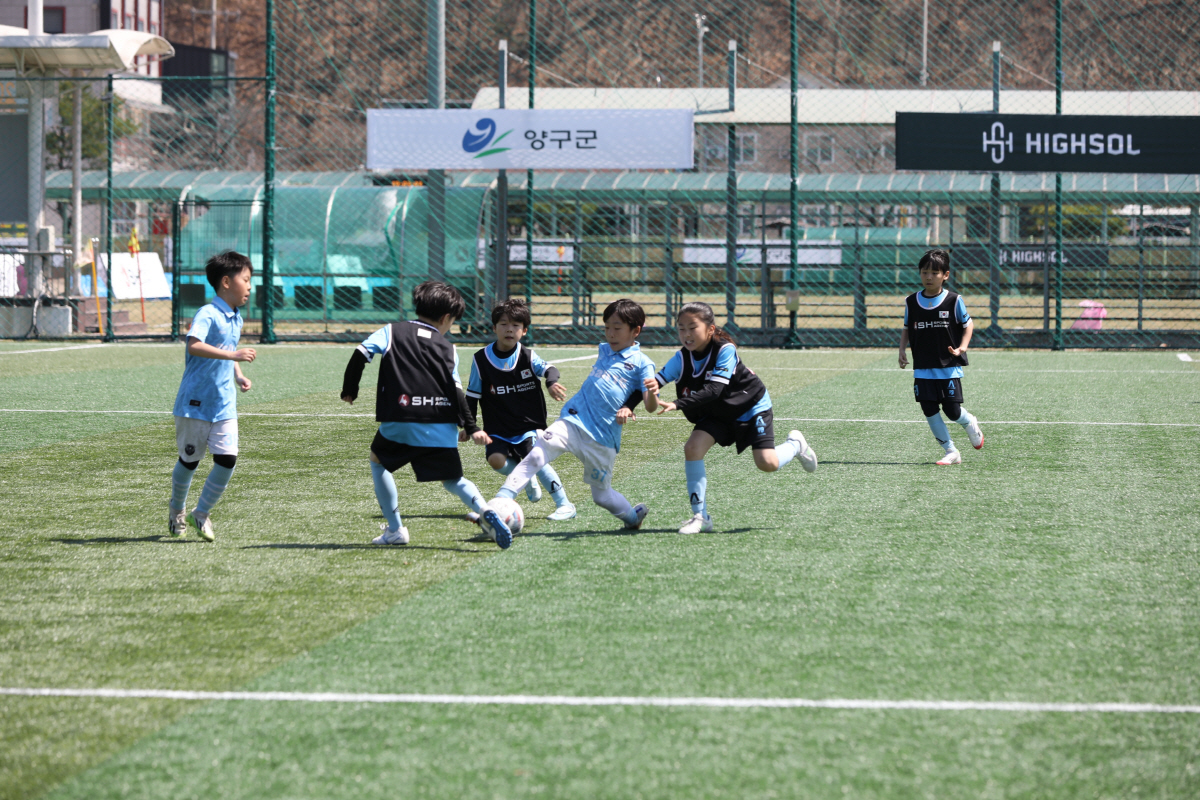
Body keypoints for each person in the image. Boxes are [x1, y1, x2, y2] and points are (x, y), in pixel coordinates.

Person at [480, 298, 659, 549]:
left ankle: (632, 517)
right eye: (607, 327)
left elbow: (651, 405)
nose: (610, 334)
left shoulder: (643, 363)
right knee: (536, 455)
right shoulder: (605, 349)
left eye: (617, 328)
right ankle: (498, 503)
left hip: (602, 437)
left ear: (635, 331)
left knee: (601, 496)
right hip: (573, 420)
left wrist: (648, 394)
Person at [648, 301, 817, 534]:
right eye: (681, 328)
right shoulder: (681, 358)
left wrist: (678, 404)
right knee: (692, 448)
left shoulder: (725, 349)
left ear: (710, 329)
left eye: (692, 327)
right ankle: (701, 517)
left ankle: (796, 445)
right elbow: (655, 383)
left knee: (767, 463)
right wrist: (638, 394)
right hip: (717, 411)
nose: (686, 334)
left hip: (750, 406)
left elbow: (715, 390)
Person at [340, 280, 488, 545]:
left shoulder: (392, 331)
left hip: (402, 417)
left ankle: (395, 530)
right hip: (441, 424)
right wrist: (471, 426)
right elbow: (455, 390)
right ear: (445, 318)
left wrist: (350, 388)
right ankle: (487, 511)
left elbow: (360, 354)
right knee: (453, 479)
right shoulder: (448, 348)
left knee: (378, 460)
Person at [168, 250, 256, 542]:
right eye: (246, 280)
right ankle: (177, 510)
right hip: (196, 403)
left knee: (228, 460)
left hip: (224, 404)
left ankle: (200, 513)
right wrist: (233, 354)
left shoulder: (236, 318)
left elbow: (225, 349)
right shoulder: (208, 313)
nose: (250, 286)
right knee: (189, 462)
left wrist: (238, 373)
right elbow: (194, 344)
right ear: (226, 282)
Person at [465, 298, 576, 521]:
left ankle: (564, 504)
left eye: (516, 325)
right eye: (504, 324)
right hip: (498, 426)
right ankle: (526, 478)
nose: (509, 329)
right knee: (495, 460)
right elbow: (471, 396)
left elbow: (550, 369)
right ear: (494, 327)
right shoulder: (480, 360)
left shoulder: (528, 356)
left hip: (528, 424)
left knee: (536, 459)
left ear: (524, 331)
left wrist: (551, 383)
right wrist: (470, 427)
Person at [898, 248, 985, 464]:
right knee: (928, 408)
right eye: (924, 272)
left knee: (952, 410)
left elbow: (968, 325)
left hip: (948, 365)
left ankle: (969, 422)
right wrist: (901, 350)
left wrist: (962, 348)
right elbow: (907, 328)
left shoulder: (954, 300)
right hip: (923, 366)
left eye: (934, 273)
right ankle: (951, 451)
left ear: (945, 275)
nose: (928, 277)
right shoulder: (911, 301)